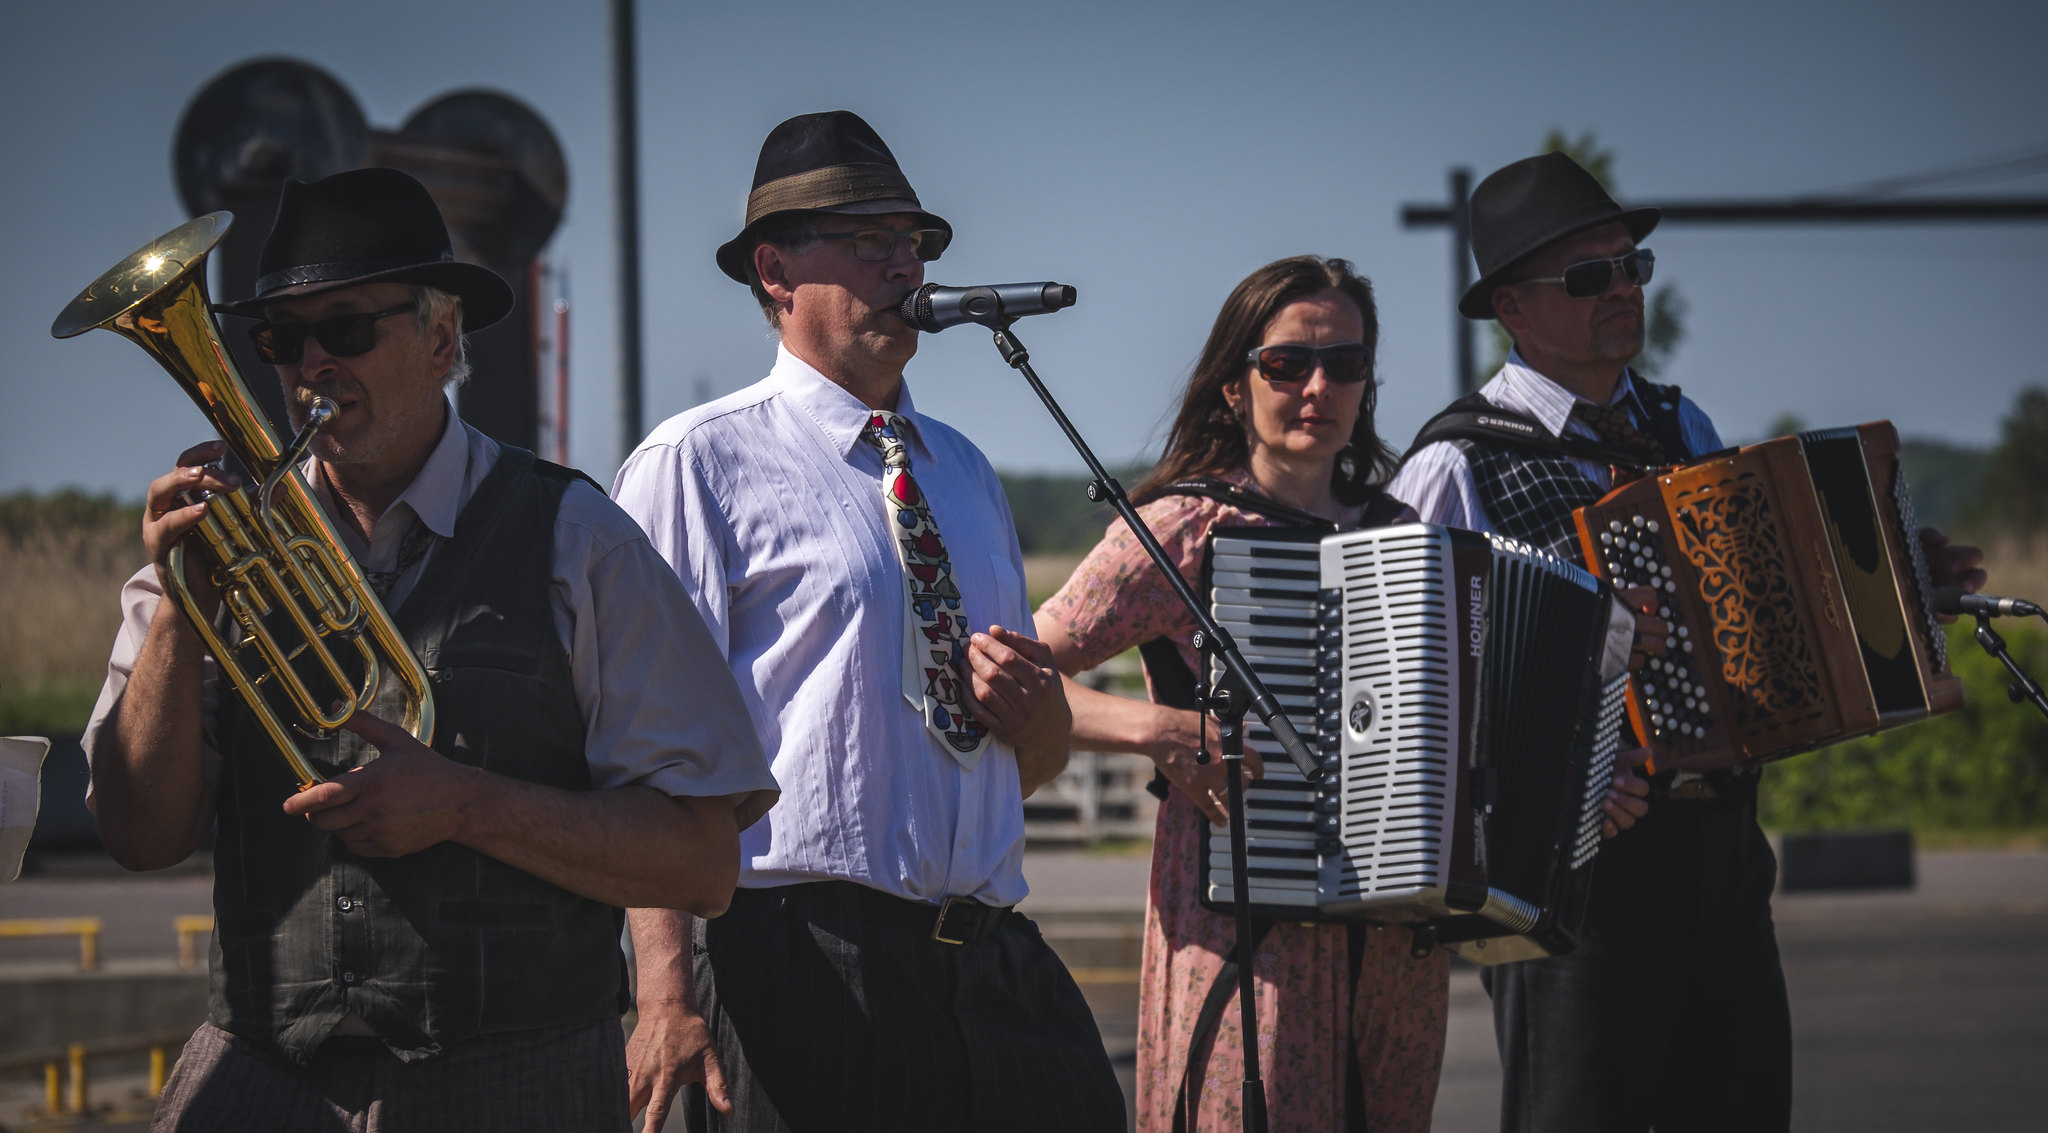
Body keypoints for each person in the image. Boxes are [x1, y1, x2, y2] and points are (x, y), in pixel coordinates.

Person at [81, 167, 779, 1133]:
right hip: (267, 1068)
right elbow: (138, 834)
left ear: (442, 337)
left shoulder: (578, 536)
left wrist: (465, 804)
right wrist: (176, 615)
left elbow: (702, 862)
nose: (311, 364)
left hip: (517, 1081)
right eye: (284, 339)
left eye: (350, 330)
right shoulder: (219, 545)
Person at [1388, 151, 1986, 1133]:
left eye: (1631, 266)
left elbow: (1757, 598)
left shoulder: (1680, 422)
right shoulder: (1455, 461)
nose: (1621, 290)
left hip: (1720, 849)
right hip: (1572, 875)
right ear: (1512, 308)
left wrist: (1889, 575)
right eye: (1589, 277)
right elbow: (1408, 679)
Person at [1033, 254, 1651, 1132]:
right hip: (1247, 942)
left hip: (1397, 951)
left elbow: (1478, 734)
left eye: (1346, 364)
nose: (1318, 385)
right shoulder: (1185, 528)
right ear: (1234, 386)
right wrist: (1159, 729)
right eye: (1287, 363)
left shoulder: (1414, 540)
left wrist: (1583, 793)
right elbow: (1022, 671)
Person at [611, 110, 1126, 1133]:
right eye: (868, 240)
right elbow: (642, 754)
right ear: (773, 269)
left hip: (990, 961)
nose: (903, 264)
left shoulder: (965, 472)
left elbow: (1023, 763)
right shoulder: (697, 464)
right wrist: (663, 992)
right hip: (800, 955)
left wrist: (1031, 717)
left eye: (915, 242)